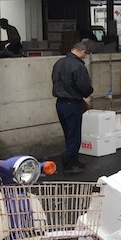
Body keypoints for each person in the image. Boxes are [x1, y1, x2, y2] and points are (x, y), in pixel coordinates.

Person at [52, 42, 94, 174]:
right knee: (74, 135)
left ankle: (74, 159)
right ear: (82, 52)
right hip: (73, 104)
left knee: (68, 134)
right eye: (84, 54)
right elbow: (85, 87)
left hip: (60, 103)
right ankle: (69, 164)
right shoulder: (78, 66)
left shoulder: (59, 63)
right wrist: (87, 92)